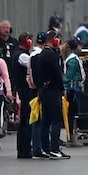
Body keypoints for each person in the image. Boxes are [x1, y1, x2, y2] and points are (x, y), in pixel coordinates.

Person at [31, 31, 68, 159]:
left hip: (44, 90)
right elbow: (56, 73)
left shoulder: (42, 54)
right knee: (56, 120)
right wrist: (62, 88)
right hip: (52, 90)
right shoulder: (51, 54)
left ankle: (46, 148)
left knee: (46, 120)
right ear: (55, 40)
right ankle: (54, 148)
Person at [62, 38, 85, 146]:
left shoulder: (71, 58)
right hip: (72, 90)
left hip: (72, 89)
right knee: (72, 114)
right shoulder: (73, 59)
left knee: (71, 114)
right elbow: (69, 76)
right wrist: (65, 87)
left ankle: (71, 136)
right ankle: (71, 138)